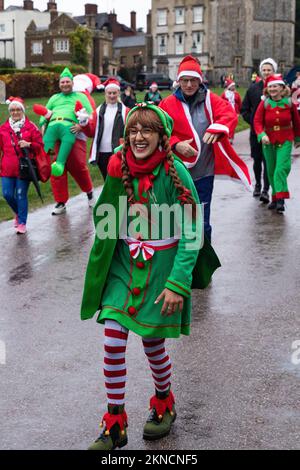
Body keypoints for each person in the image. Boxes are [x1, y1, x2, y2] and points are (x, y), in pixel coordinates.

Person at [81, 103, 220, 450]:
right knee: (113, 341)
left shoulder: (176, 173)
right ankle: (115, 422)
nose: (138, 137)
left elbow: (192, 232)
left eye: (147, 130)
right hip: (124, 266)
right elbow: (105, 216)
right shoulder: (119, 167)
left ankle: (163, 401)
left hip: (161, 270)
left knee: (152, 345)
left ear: (161, 136)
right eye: (133, 130)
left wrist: (177, 283)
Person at [159, 55, 251, 241]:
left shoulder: (211, 99)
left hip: (204, 172)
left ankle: (202, 262)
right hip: (176, 173)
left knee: (201, 222)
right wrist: (176, 144)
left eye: (193, 80)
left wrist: (218, 128)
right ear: (179, 81)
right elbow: (160, 130)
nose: (189, 85)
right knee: (177, 219)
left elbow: (229, 114)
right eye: (185, 80)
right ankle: (181, 261)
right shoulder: (167, 104)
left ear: (200, 81)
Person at [35, 68, 95, 215]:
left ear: (72, 83)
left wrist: (82, 125)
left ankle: (89, 193)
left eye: (68, 81)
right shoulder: (54, 98)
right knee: (56, 166)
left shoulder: (80, 97)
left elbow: (90, 114)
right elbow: (44, 113)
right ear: (59, 84)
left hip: (73, 134)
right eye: (63, 82)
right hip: (54, 136)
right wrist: (43, 124)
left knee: (78, 166)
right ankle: (60, 201)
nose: (65, 84)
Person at [254, 74, 300, 213]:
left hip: (285, 139)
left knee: (281, 168)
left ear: (281, 88)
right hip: (268, 141)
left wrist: (298, 139)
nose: (272, 89)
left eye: (275, 86)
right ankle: (275, 197)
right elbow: (257, 121)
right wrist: (262, 135)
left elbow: (297, 122)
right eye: (270, 87)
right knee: (271, 170)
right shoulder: (265, 103)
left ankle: (280, 198)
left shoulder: (289, 103)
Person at [0, 97, 44, 234]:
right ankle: (19, 213)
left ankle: (22, 223)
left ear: (22, 110)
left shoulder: (30, 127)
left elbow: (40, 146)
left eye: (18, 109)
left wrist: (29, 144)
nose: (15, 112)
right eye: (12, 110)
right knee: (7, 194)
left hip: (24, 168)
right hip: (7, 168)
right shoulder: (3, 129)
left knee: (20, 194)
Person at [241, 58, 278, 203]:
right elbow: (244, 109)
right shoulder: (253, 89)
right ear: (261, 72)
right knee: (257, 159)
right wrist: (254, 122)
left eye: (269, 70)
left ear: (274, 71)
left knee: (268, 160)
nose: (267, 72)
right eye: (264, 70)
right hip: (256, 132)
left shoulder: (278, 88)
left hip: (272, 132)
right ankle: (258, 185)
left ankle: (266, 190)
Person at [81, 78, 128, 181]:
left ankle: (122, 198)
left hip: (118, 152)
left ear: (118, 93)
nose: (111, 96)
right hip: (102, 153)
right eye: (109, 93)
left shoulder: (126, 112)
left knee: (121, 182)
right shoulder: (98, 112)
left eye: (114, 93)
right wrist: (84, 123)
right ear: (105, 94)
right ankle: (111, 198)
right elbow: (91, 133)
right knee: (107, 182)